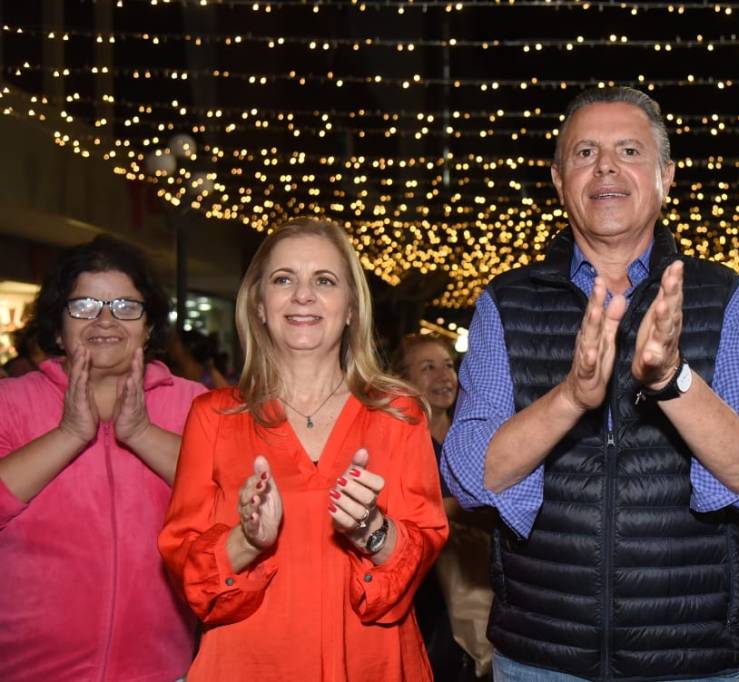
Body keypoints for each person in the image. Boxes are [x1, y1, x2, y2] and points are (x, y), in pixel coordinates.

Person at [441, 86, 739, 681]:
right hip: (540, 653)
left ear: (666, 176)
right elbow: (470, 478)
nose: (604, 166)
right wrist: (572, 397)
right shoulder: (507, 302)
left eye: (629, 150)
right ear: (558, 180)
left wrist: (670, 380)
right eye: (584, 153)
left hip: (689, 657)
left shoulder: (725, 298)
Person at [159, 217, 449, 681]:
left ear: (352, 307)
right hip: (248, 664)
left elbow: (421, 553)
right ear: (258, 303)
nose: (302, 295)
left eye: (324, 280)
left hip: (370, 662)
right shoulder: (213, 416)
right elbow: (188, 572)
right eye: (283, 279)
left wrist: (372, 530)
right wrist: (247, 539)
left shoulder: (400, 412)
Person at [0, 236, 206, 681]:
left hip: (160, 669)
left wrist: (143, 434)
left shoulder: (194, 406)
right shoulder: (11, 402)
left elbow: (227, 496)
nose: (106, 320)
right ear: (57, 326)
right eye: (84, 306)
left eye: (127, 307)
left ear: (149, 327)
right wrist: (69, 434)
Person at [394, 333, 496, 680]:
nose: (443, 376)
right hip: (426, 589)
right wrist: (480, 510)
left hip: (475, 577)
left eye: (448, 366)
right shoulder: (400, 438)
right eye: (428, 368)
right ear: (404, 381)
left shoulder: (469, 434)